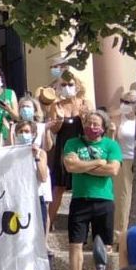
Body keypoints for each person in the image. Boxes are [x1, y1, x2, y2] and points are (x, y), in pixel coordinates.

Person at [61, 111, 122, 270]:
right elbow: (71, 166)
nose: (91, 127)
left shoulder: (111, 145)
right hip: (80, 199)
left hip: (104, 199)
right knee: (75, 243)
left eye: (96, 124)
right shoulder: (72, 143)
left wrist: (83, 166)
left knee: (101, 244)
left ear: (103, 127)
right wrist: (97, 162)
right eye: (88, 123)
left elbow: (112, 169)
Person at [46, 72, 90, 228]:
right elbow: (55, 130)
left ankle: (83, 223)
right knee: (58, 187)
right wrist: (59, 120)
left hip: (81, 147)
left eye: (70, 84)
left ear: (77, 86)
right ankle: (48, 224)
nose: (67, 88)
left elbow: (90, 129)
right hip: (63, 147)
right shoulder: (56, 106)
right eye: (63, 85)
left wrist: (85, 117)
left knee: (82, 185)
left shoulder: (84, 103)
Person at [14, 121, 53, 234]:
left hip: (36, 196)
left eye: (26, 131)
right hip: (19, 197)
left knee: (39, 231)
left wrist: (36, 157)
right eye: (20, 132)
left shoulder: (41, 153)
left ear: (33, 134)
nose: (23, 134)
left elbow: (43, 177)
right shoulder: (11, 154)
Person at [112, 88, 136, 241]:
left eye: (129, 102)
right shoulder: (117, 118)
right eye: (123, 101)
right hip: (124, 160)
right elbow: (111, 141)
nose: (125, 105)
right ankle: (119, 236)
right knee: (123, 199)